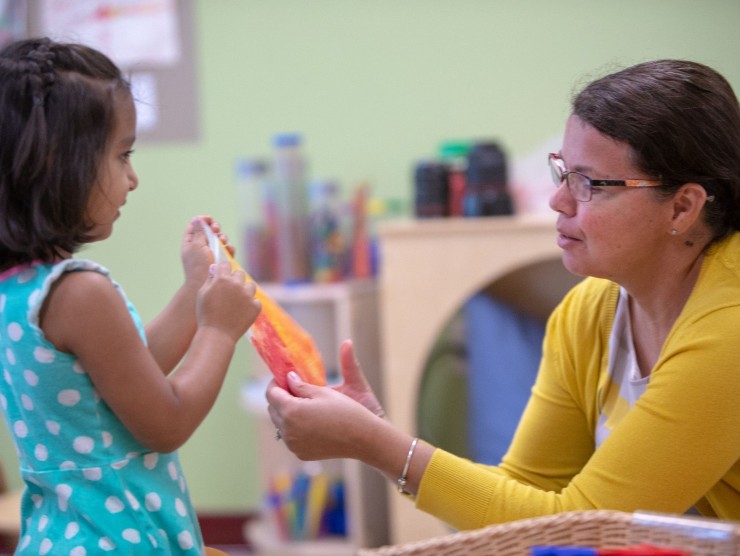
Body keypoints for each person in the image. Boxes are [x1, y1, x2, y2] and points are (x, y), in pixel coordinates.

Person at [266, 58, 740, 531]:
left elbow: (587, 524)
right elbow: (529, 493)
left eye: (590, 183)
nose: (559, 200)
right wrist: (381, 439)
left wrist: (377, 445)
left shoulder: (728, 331)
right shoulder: (589, 310)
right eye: (563, 172)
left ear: (683, 206)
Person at [0, 37, 261, 554]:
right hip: (119, 540)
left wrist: (194, 291)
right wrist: (218, 330)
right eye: (122, 155)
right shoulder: (79, 292)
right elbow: (164, 423)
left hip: (64, 536)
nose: (133, 178)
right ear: (57, 163)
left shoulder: (20, 287)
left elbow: (127, 378)